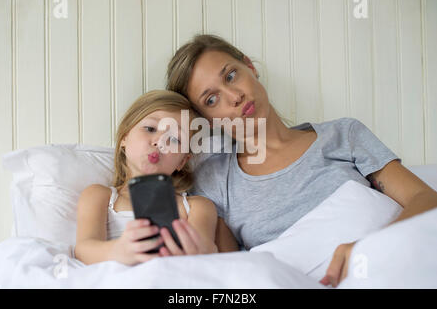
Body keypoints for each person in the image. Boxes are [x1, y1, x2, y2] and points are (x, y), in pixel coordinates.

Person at [165, 34, 437, 287]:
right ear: (206, 120)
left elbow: (425, 198)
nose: (235, 97)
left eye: (231, 75)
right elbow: (231, 273)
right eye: (212, 99)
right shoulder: (214, 180)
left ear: (250, 66)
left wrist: (368, 248)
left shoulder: (343, 135)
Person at [74, 90, 222, 266]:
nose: (160, 142)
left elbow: (207, 251)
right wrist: (120, 251)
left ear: (182, 161)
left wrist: (199, 250)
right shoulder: (99, 196)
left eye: (174, 139)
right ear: (124, 137)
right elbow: (84, 250)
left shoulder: (197, 207)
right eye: (150, 129)